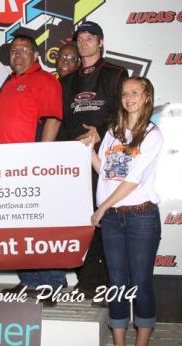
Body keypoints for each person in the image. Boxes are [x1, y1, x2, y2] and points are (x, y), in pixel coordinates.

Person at [83, 77, 162, 346]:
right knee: (116, 283)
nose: (129, 98)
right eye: (125, 93)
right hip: (114, 219)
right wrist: (90, 149)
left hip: (141, 216)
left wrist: (101, 208)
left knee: (140, 283)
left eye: (135, 93)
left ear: (146, 97)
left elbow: (133, 180)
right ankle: (119, 343)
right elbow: (104, 171)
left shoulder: (153, 135)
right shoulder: (114, 130)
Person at [60, 21, 129, 303]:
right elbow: (61, 120)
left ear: (100, 42)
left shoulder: (116, 73)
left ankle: (111, 285)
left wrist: (101, 132)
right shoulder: (66, 81)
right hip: (74, 161)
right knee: (82, 220)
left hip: (107, 158)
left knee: (108, 221)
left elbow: (128, 111)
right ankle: (88, 281)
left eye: (90, 38)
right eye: (81, 38)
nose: (84, 42)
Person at [0, 27, 63, 306]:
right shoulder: (8, 83)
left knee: (42, 227)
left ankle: (53, 284)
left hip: (31, 166)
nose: (17, 54)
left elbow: (53, 119)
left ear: (35, 54)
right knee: (18, 227)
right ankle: (30, 281)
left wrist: (41, 161)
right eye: (13, 50)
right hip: (5, 167)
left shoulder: (45, 80)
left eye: (23, 50)